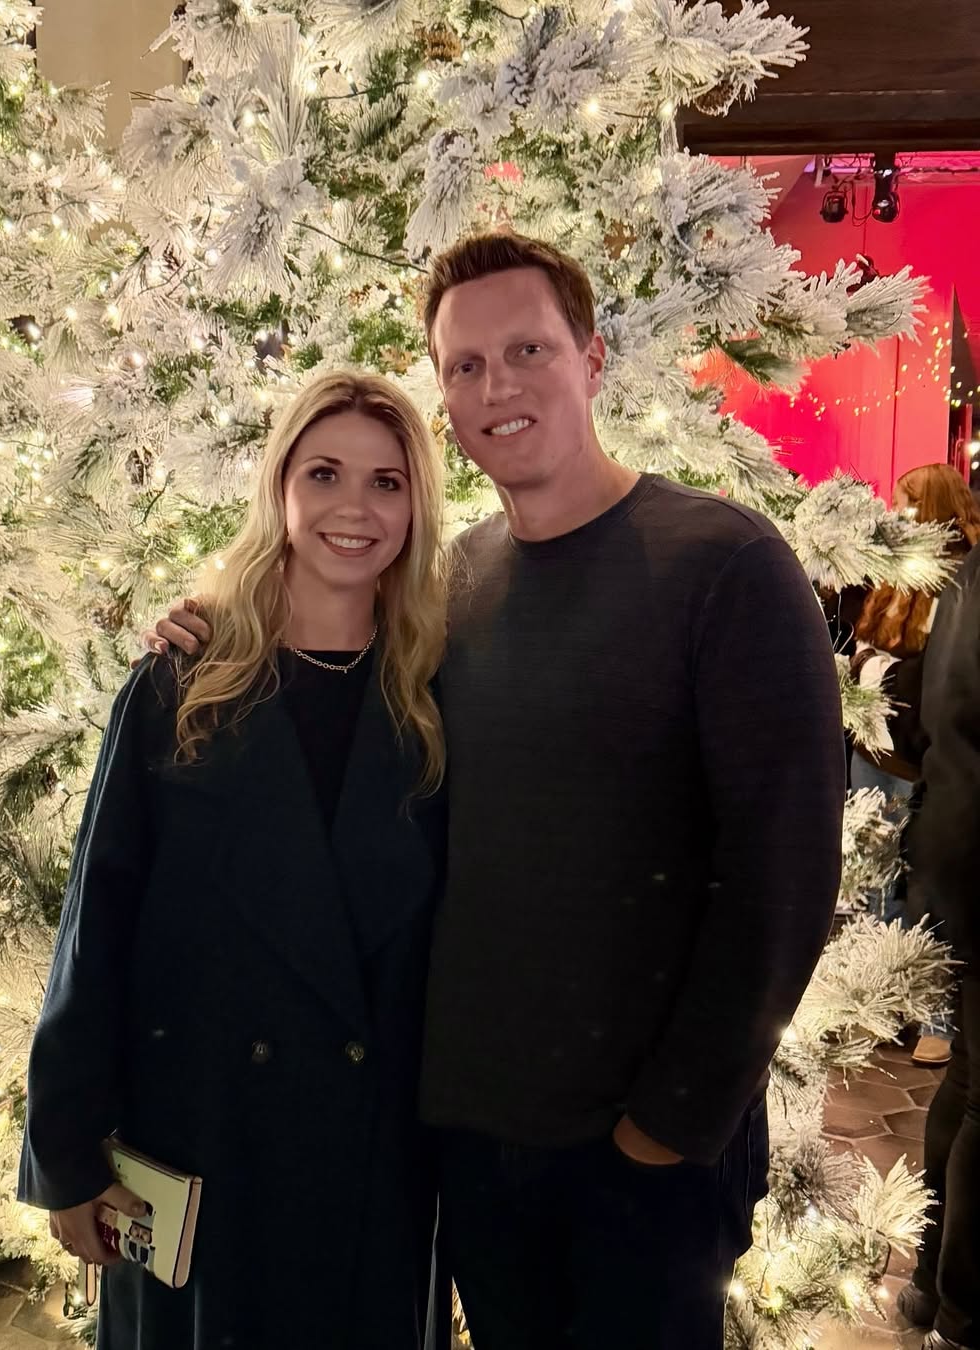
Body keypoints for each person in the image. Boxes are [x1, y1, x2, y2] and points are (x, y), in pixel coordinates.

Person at [149, 231, 846, 1350]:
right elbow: (327, 671)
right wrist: (215, 623)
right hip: (471, 1142)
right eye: (465, 366)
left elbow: (786, 876)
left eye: (528, 350)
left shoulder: (724, 565)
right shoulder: (451, 584)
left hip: (644, 1156)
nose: (496, 387)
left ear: (594, 358)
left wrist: (668, 1128)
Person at [18, 372, 449, 1350]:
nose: (354, 508)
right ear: (280, 486)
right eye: (325, 473)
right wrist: (68, 1153)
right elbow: (96, 926)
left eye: (386, 482)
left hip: (372, 1161)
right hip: (201, 1136)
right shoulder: (182, 683)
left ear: (417, 504)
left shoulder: (434, 694)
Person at [849, 463, 980, 1065]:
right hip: (870, 745)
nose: (895, 511)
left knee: (927, 888)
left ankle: (938, 1020)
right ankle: (883, 1002)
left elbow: (940, 676)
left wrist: (876, 670)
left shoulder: (958, 579)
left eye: (906, 501)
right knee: (873, 880)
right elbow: (867, 642)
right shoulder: (894, 569)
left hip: (921, 757)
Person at [894, 540, 980, 1350]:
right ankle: (960, 1314)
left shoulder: (964, 576)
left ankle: (931, 1286)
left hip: (953, 841)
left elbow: (919, 710)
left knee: (968, 1079)